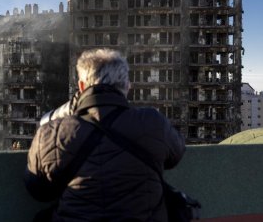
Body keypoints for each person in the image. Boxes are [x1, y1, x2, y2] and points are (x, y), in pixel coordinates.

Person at [25, 48, 185, 221]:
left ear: (81, 86)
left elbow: (38, 190)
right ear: (127, 86)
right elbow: (176, 155)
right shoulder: (153, 122)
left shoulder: (51, 132)